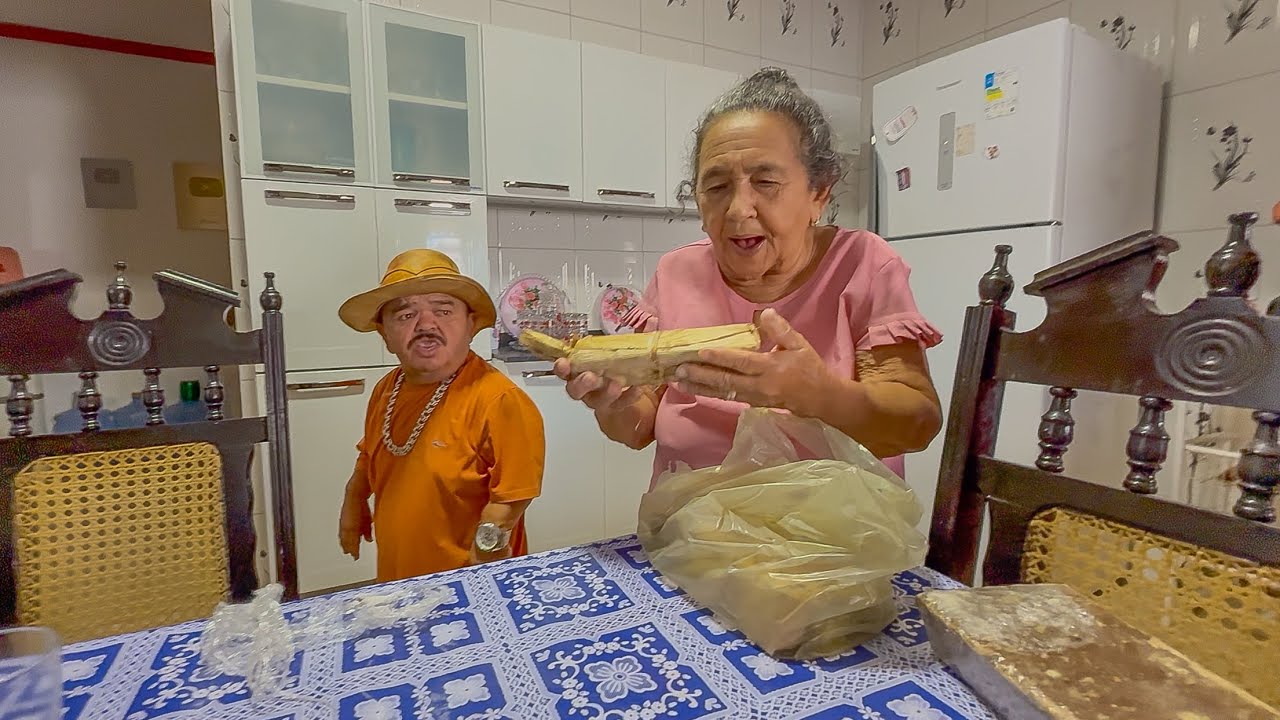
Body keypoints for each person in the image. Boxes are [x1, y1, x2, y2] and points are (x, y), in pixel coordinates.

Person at [555, 67, 943, 483]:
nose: (739, 209)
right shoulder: (677, 272)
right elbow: (638, 428)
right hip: (694, 533)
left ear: (819, 193)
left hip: (825, 539)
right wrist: (615, 404)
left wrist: (816, 394)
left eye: (766, 181)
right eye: (717, 186)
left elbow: (916, 425)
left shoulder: (864, 264)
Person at [337, 249, 545, 581]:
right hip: (398, 577)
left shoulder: (499, 399)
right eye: (405, 315)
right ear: (385, 335)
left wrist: (482, 566)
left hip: (469, 585)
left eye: (443, 310)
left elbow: (512, 497)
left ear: (470, 324)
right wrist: (354, 499)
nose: (426, 325)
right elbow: (369, 455)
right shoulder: (385, 390)